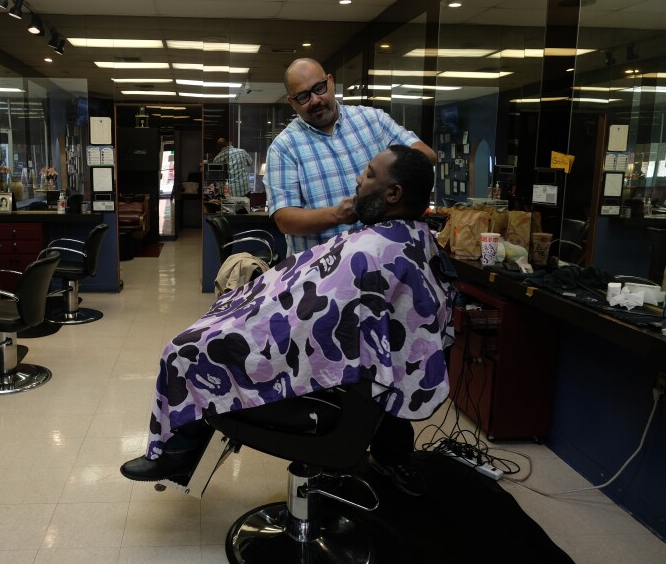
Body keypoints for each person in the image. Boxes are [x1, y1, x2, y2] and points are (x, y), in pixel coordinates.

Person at [121, 145, 455, 496]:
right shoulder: (414, 242)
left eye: (369, 174)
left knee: (183, 350)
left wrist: (241, 318)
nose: (359, 179)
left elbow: (304, 327)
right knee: (218, 330)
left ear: (393, 194)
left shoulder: (371, 254)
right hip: (358, 375)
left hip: (338, 389)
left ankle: (177, 450)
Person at [264, 58, 437, 257]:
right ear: (292, 103)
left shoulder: (373, 120)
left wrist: (381, 189)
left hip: (386, 258)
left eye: (319, 88)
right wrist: (337, 215)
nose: (316, 100)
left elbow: (426, 156)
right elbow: (285, 220)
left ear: (331, 82)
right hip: (322, 269)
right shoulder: (283, 147)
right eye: (303, 96)